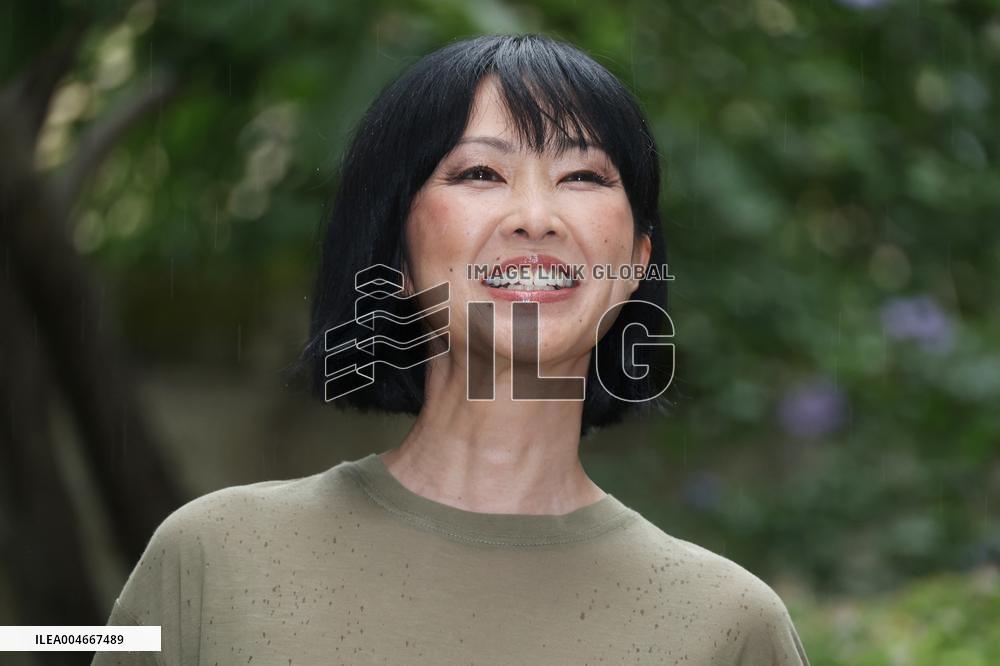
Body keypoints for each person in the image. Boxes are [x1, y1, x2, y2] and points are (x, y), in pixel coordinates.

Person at [93, 34, 810, 665]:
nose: (536, 218)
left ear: (637, 261)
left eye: (584, 176)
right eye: (479, 174)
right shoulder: (215, 561)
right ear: (395, 254)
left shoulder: (727, 626)